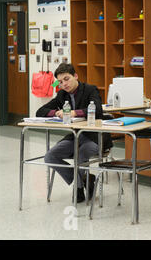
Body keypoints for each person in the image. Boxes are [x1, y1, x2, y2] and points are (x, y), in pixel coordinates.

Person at [36, 63, 112, 203]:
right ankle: (84, 180)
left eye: (67, 79)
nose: (64, 84)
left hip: (95, 136)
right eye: (60, 82)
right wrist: (57, 112)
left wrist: (73, 113)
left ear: (75, 76)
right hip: (75, 136)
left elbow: (98, 111)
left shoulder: (90, 89)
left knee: (81, 153)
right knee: (50, 156)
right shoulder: (62, 94)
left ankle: (78, 190)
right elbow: (40, 111)